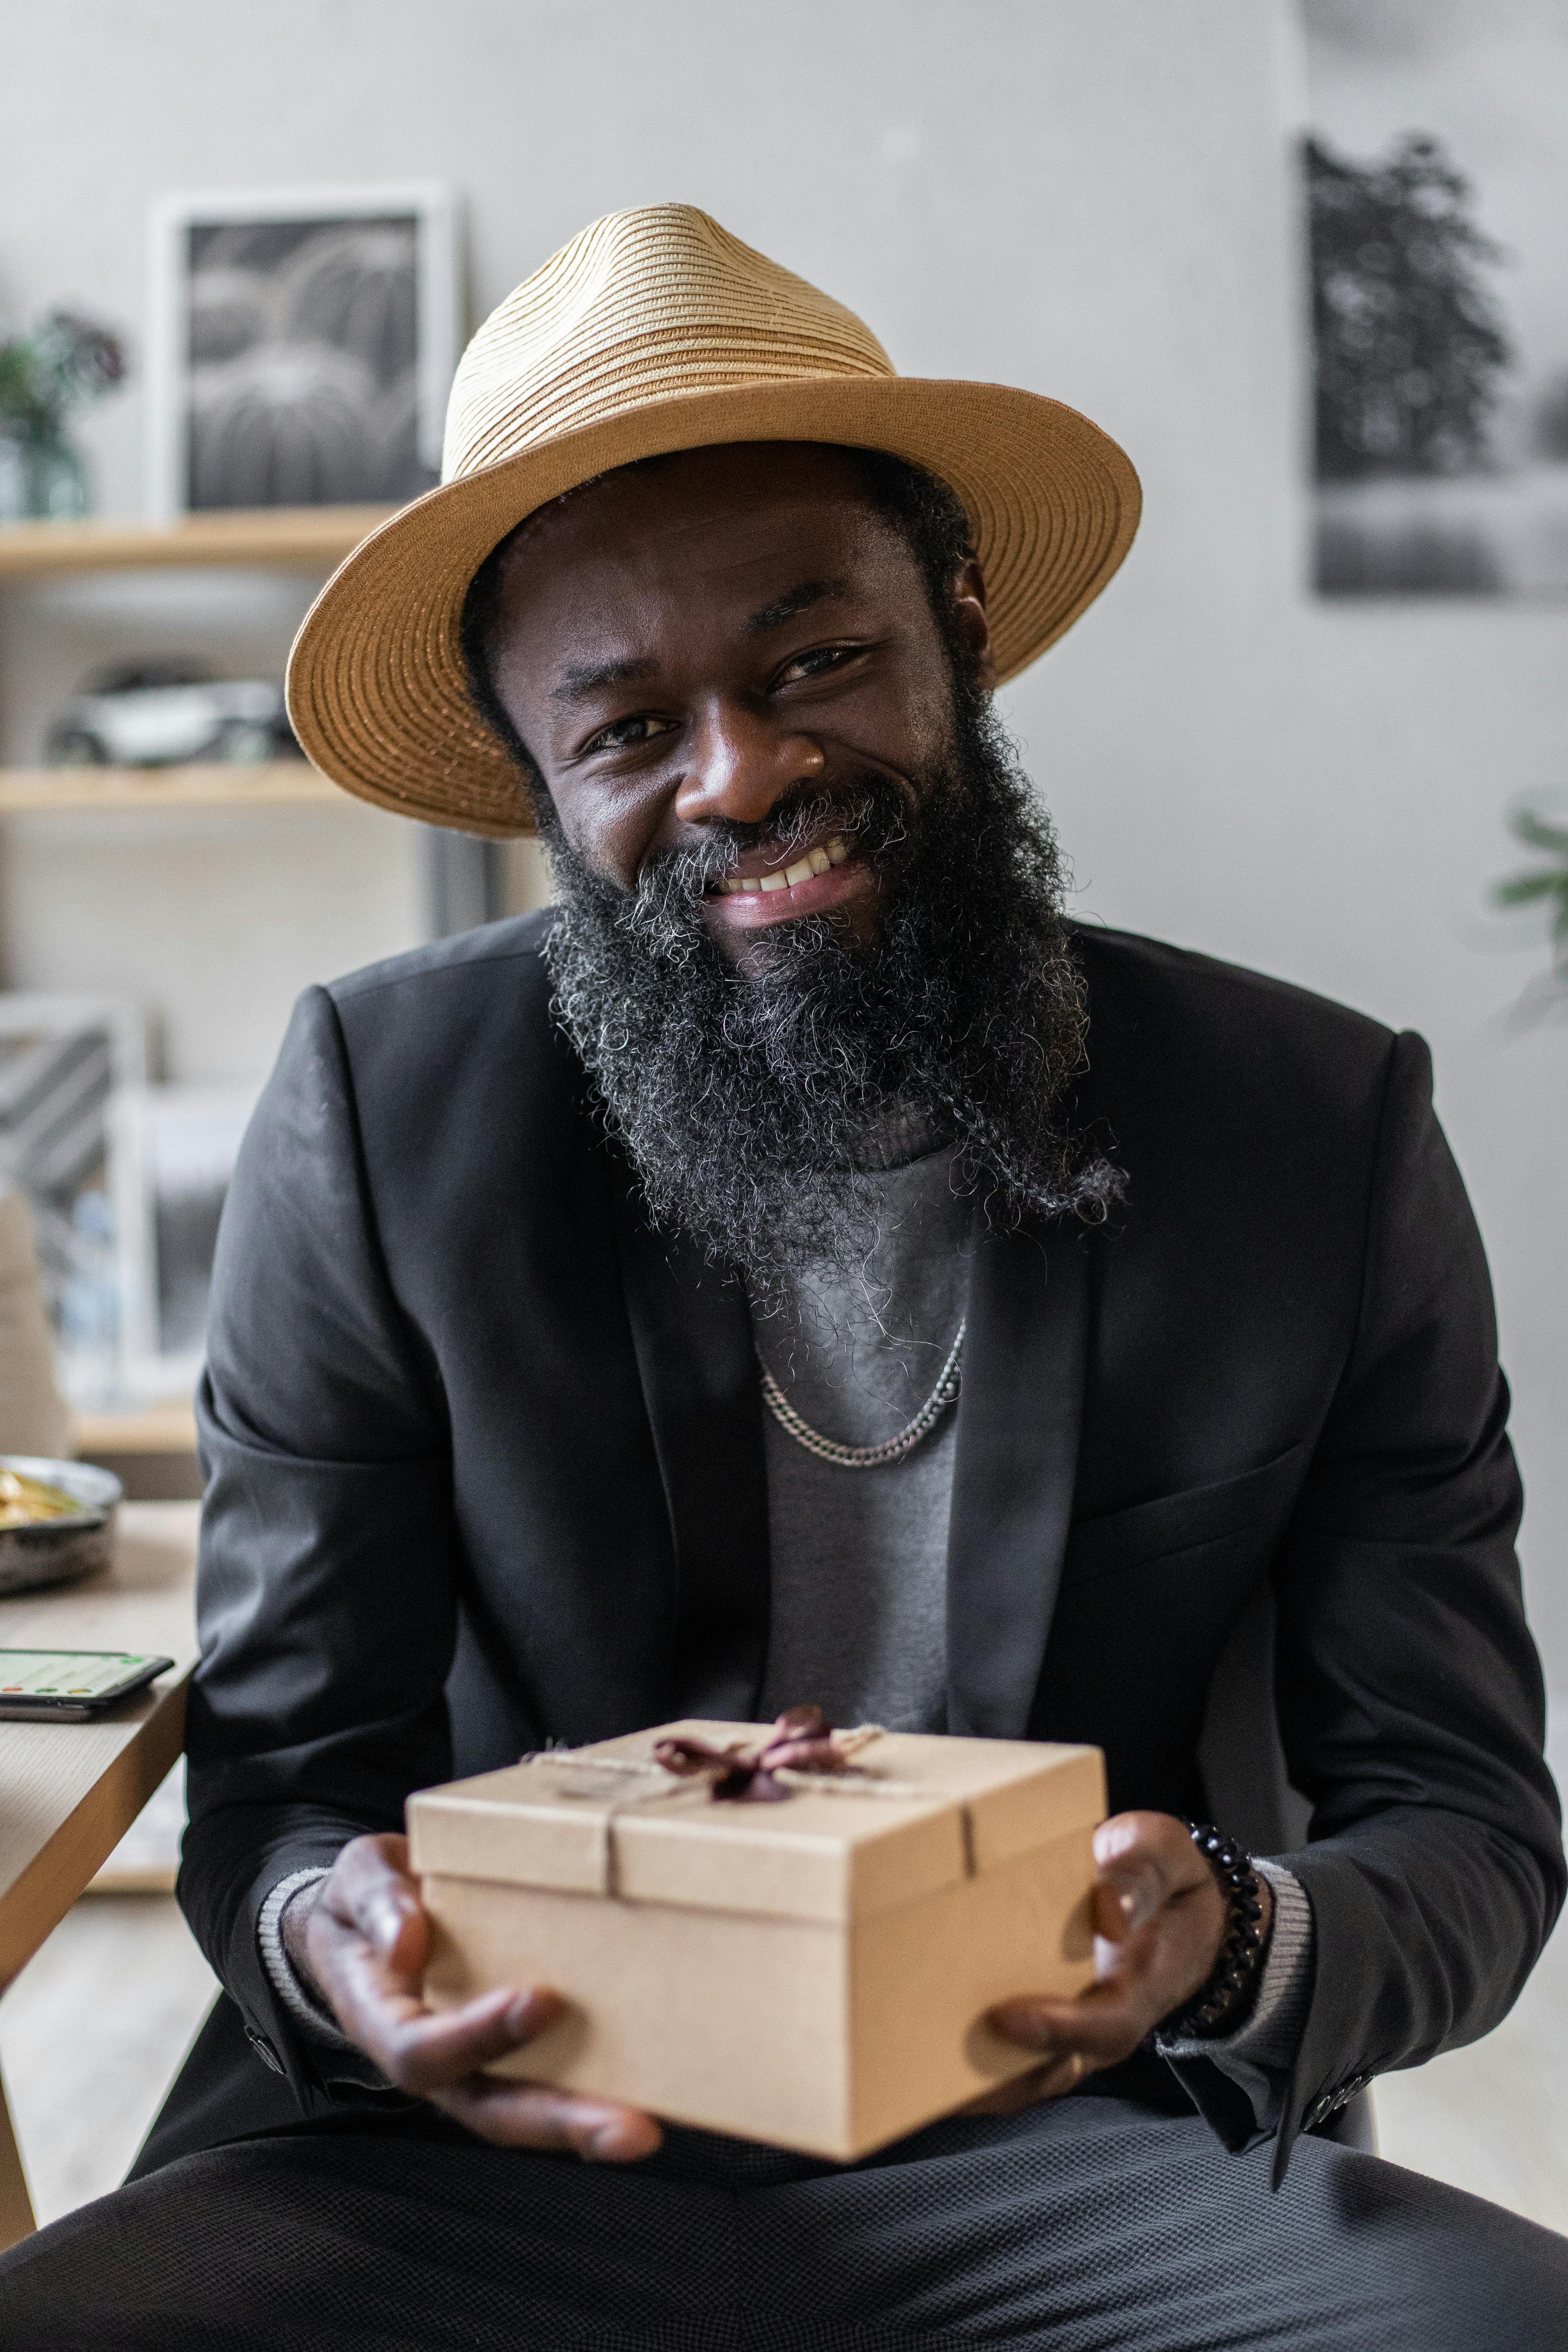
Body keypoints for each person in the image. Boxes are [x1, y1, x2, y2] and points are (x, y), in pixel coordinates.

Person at [2, 203, 1562, 2350]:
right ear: (546, 781)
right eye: (630, 729)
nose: (743, 775)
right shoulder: (375, 1110)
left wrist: (1229, 1935)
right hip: (495, 2133)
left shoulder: (1314, 1133)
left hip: (1078, 2136)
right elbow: (288, 1788)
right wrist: (334, 1940)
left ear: (961, 625)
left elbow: (1466, 1829)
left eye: (816, 660)